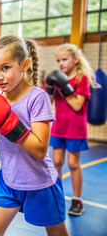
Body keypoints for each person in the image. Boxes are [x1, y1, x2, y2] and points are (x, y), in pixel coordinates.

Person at [0, 35, 70, 235]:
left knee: (58, 234)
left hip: (40, 183)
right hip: (9, 181)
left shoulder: (37, 98)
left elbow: (39, 150)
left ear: (24, 64)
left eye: (5, 68)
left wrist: (8, 123)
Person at [46, 43, 98, 216]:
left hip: (75, 129)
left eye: (65, 59)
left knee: (73, 164)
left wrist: (63, 87)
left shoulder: (81, 79)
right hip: (58, 127)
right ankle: (57, 195)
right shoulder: (56, 77)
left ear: (76, 60)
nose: (60, 64)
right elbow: (48, 103)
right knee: (56, 163)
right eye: (58, 60)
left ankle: (77, 200)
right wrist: (50, 88)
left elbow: (77, 105)